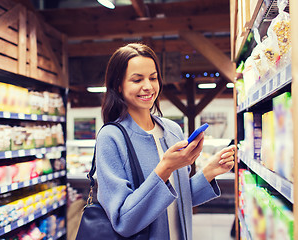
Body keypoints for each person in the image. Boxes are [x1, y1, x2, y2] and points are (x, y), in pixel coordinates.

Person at [95, 43, 235, 239]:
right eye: (137, 80)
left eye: (153, 78)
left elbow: (178, 200)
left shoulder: (172, 130)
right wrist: (165, 169)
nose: (148, 86)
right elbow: (123, 221)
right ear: (118, 85)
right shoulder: (111, 138)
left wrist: (211, 171)